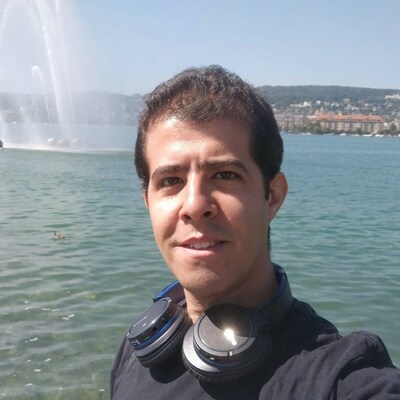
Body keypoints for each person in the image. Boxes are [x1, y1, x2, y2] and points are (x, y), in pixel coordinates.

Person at [111, 66, 400, 399]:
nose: (194, 205)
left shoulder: (339, 377)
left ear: (272, 196)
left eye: (225, 175)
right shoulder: (136, 351)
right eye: (171, 181)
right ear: (148, 202)